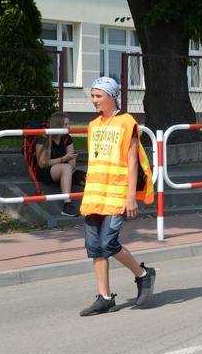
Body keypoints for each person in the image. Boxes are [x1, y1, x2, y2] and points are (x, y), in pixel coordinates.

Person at [79, 76, 155, 316]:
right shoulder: (93, 125)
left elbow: (132, 163)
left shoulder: (127, 122)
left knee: (108, 243)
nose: (94, 101)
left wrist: (131, 196)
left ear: (112, 96)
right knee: (94, 247)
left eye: (98, 96)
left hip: (117, 194)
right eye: (92, 96)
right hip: (94, 194)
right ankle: (105, 298)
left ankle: (143, 275)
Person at [34, 112, 81, 217]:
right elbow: (42, 163)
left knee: (85, 176)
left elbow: (71, 163)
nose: (69, 127)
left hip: (63, 169)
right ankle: (67, 205)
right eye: (66, 125)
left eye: (69, 124)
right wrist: (64, 159)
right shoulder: (44, 138)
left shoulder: (67, 138)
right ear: (58, 125)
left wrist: (71, 160)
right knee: (66, 167)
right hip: (45, 171)